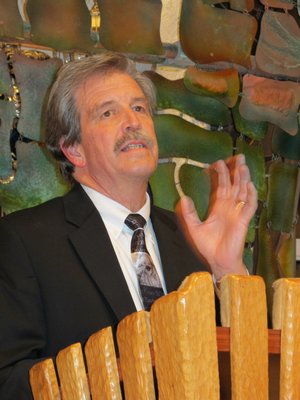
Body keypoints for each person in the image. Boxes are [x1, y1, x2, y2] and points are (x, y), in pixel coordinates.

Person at [0, 52, 257, 399]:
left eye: (139, 108)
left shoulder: (193, 238)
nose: (132, 122)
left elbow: (247, 371)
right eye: (108, 112)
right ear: (74, 149)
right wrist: (121, 371)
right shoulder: (24, 241)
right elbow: (8, 382)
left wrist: (227, 269)